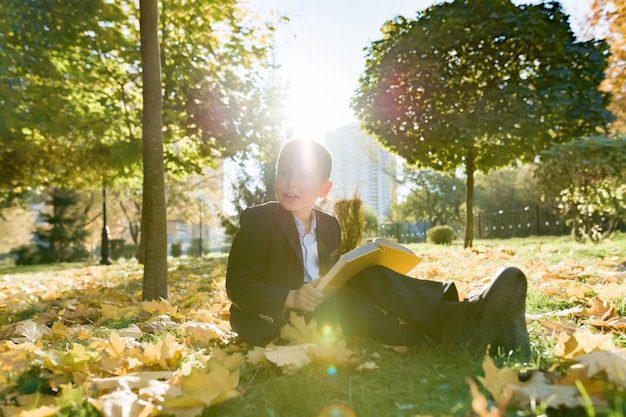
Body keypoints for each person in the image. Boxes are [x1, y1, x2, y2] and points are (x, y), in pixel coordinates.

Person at [226, 138, 530, 355]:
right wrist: (291, 297)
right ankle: (472, 320)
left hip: (324, 306)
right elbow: (238, 288)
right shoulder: (259, 220)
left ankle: (473, 327)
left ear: (324, 188)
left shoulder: (329, 225)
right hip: (276, 318)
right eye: (284, 173)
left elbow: (330, 274)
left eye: (303, 176)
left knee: (372, 283)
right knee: (360, 309)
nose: (291, 183)